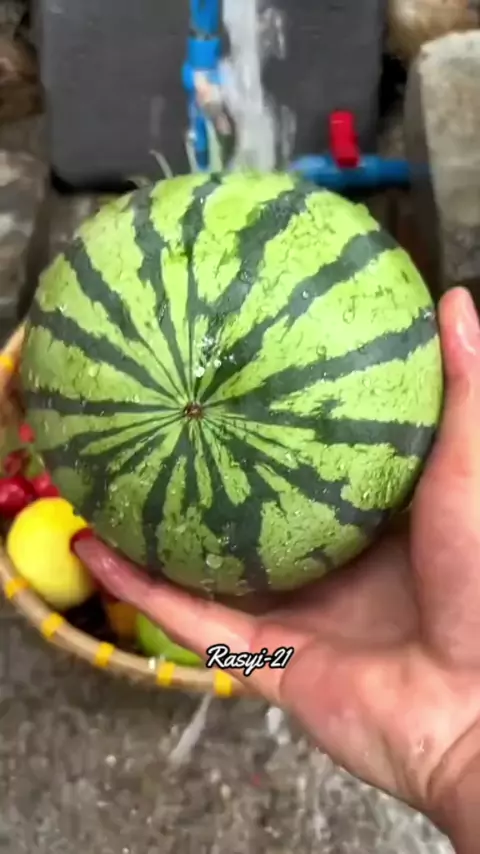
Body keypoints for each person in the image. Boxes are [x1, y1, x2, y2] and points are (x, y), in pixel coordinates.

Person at [74, 286, 480, 853]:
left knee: (247, 658)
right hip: (278, 655)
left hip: (278, 656)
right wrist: (456, 749)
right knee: (245, 658)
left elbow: (267, 663)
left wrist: (462, 746)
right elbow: (264, 663)